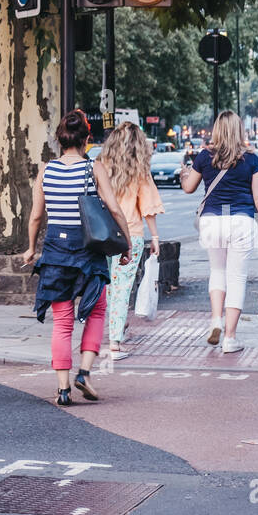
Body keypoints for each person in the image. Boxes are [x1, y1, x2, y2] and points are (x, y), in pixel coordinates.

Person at [22, 109, 132, 407]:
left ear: (60, 139)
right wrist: (127, 243)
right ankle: (84, 372)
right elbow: (113, 208)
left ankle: (63, 389)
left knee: (62, 321)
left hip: (55, 249)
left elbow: (35, 216)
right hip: (87, 248)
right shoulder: (92, 168)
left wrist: (32, 248)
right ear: (87, 139)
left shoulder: (46, 170)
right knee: (97, 310)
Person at [179, 109, 258, 354]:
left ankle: (215, 320)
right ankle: (230, 338)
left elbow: (189, 188)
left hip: (212, 221)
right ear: (239, 130)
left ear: (217, 130)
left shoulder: (204, 157)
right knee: (237, 278)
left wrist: (184, 174)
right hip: (241, 221)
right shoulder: (251, 159)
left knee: (217, 271)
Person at [98, 121, 165, 357]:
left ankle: (117, 326)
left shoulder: (101, 166)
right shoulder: (139, 171)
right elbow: (147, 207)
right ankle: (115, 341)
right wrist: (155, 237)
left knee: (107, 286)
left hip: (102, 234)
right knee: (122, 287)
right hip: (130, 234)